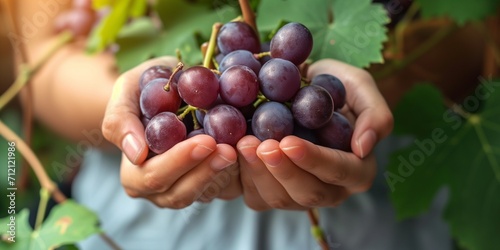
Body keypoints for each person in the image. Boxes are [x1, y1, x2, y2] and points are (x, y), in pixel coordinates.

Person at [10, 0, 452, 249]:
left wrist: (385, 81)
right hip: (148, 232)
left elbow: (472, 42)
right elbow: (43, 62)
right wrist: (131, 111)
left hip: (373, 216)